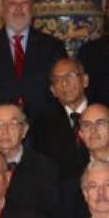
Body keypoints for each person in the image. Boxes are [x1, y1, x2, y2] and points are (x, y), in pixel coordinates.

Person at [0, 102, 64, 218]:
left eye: (12, 124)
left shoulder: (45, 168)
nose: (5, 131)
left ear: (24, 130)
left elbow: (54, 217)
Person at [31, 57, 92, 190]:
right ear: (53, 90)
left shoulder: (106, 113)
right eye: (58, 80)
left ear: (85, 80)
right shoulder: (42, 125)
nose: (64, 83)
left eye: (70, 76)